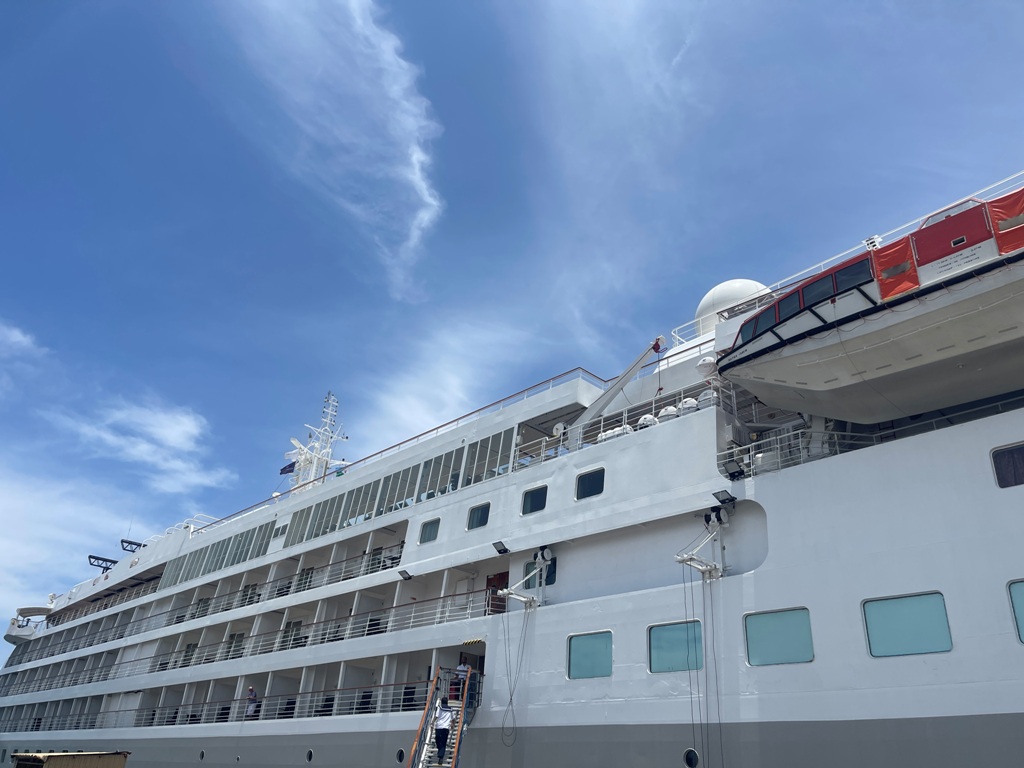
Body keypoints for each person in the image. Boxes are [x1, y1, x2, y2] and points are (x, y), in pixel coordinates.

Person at [433, 696, 453, 764]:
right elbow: (452, 719)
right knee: (443, 743)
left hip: (439, 727)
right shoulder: (450, 709)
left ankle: (440, 757)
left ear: (441, 702)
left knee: (438, 740)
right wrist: (452, 725)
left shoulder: (440, 707)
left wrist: (432, 722)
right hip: (445, 728)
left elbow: (436, 716)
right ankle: (440, 755)